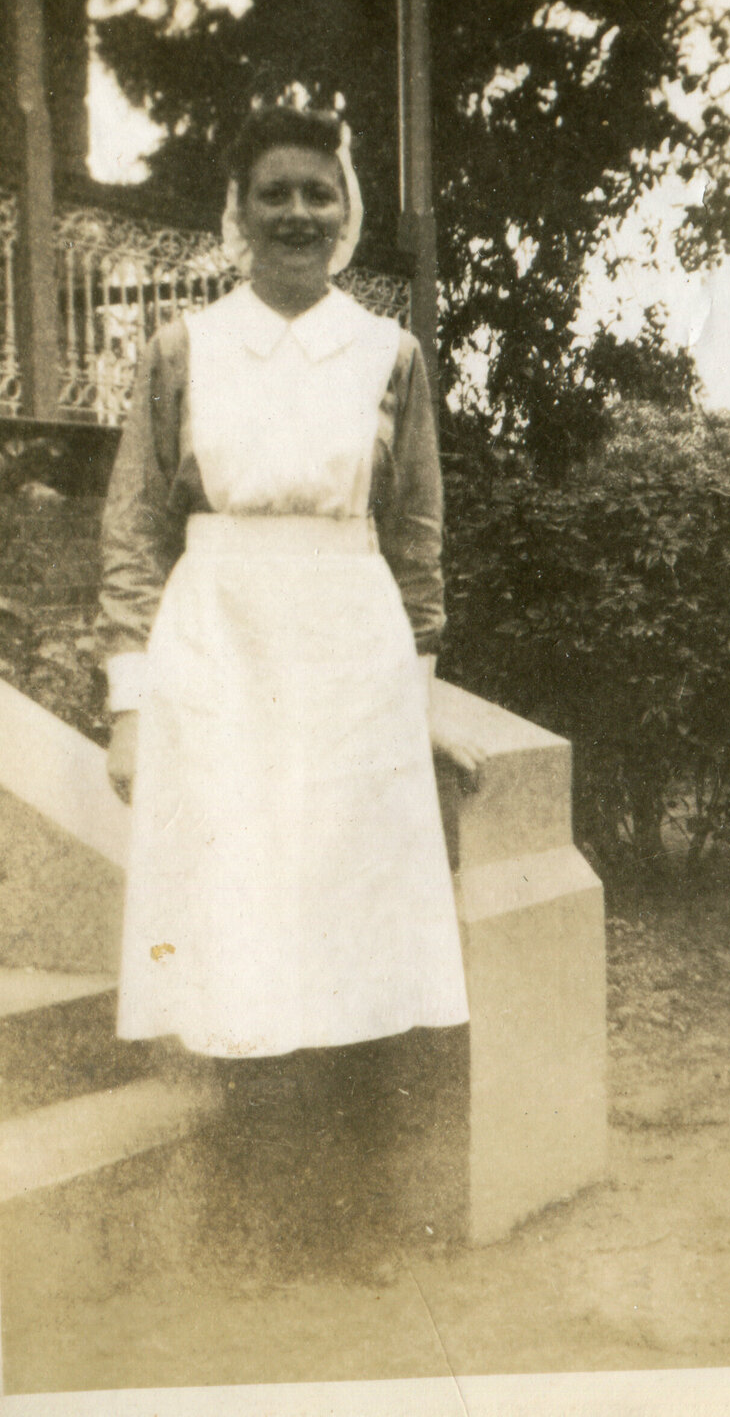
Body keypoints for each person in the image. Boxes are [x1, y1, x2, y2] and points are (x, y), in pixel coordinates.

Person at [97, 105, 476, 1068]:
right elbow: (136, 531)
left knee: (343, 902)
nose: (298, 213)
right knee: (234, 905)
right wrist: (130, 708)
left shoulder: (389, 353)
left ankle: (338, 1169)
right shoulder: (182, 349)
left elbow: (418, 537)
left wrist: (417, 696)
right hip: (217, 646)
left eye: (319, 192)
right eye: (276, 193)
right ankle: (250, 1171)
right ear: (240, 209)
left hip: (353, 655)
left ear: (345, 210)